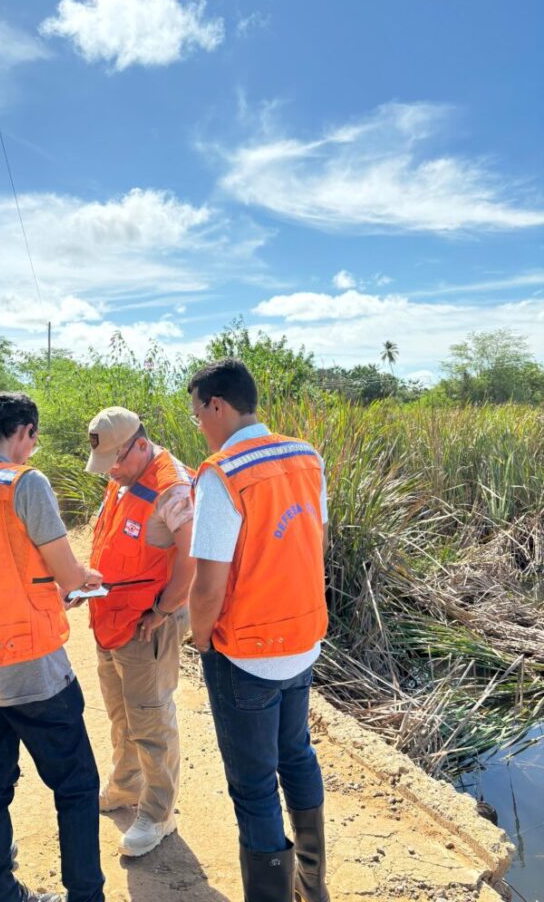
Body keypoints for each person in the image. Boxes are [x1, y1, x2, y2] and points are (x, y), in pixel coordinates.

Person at [0, 392, 105, 902]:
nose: (32, 449)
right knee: (75, 786)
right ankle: (85, 894)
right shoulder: (24, 484)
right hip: (33, 665)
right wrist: (81, 580)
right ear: (24, 431)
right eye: (33, 439)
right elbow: (67, 575)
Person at [187, 359, 331, 902]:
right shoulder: (306, 457)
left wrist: (200, 638)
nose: (199, 422)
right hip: (302, 639)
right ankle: (311, 887)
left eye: (199, 411)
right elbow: (313, 538)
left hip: (245, 652)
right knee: (296, 755)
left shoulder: (222, 473)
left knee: (253, 787)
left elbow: (207, 586)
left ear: (218, 405)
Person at [85, 407, 195, 857]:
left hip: (148, 623)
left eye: (117, 459)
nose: (111, 469)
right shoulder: (124, 478)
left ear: (141, 446)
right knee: (120, 712)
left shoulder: (173, 487)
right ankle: (126, 785)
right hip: (110, 618)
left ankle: (158, 812)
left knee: (150, 719)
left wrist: (165, 611)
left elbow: (192, 559)